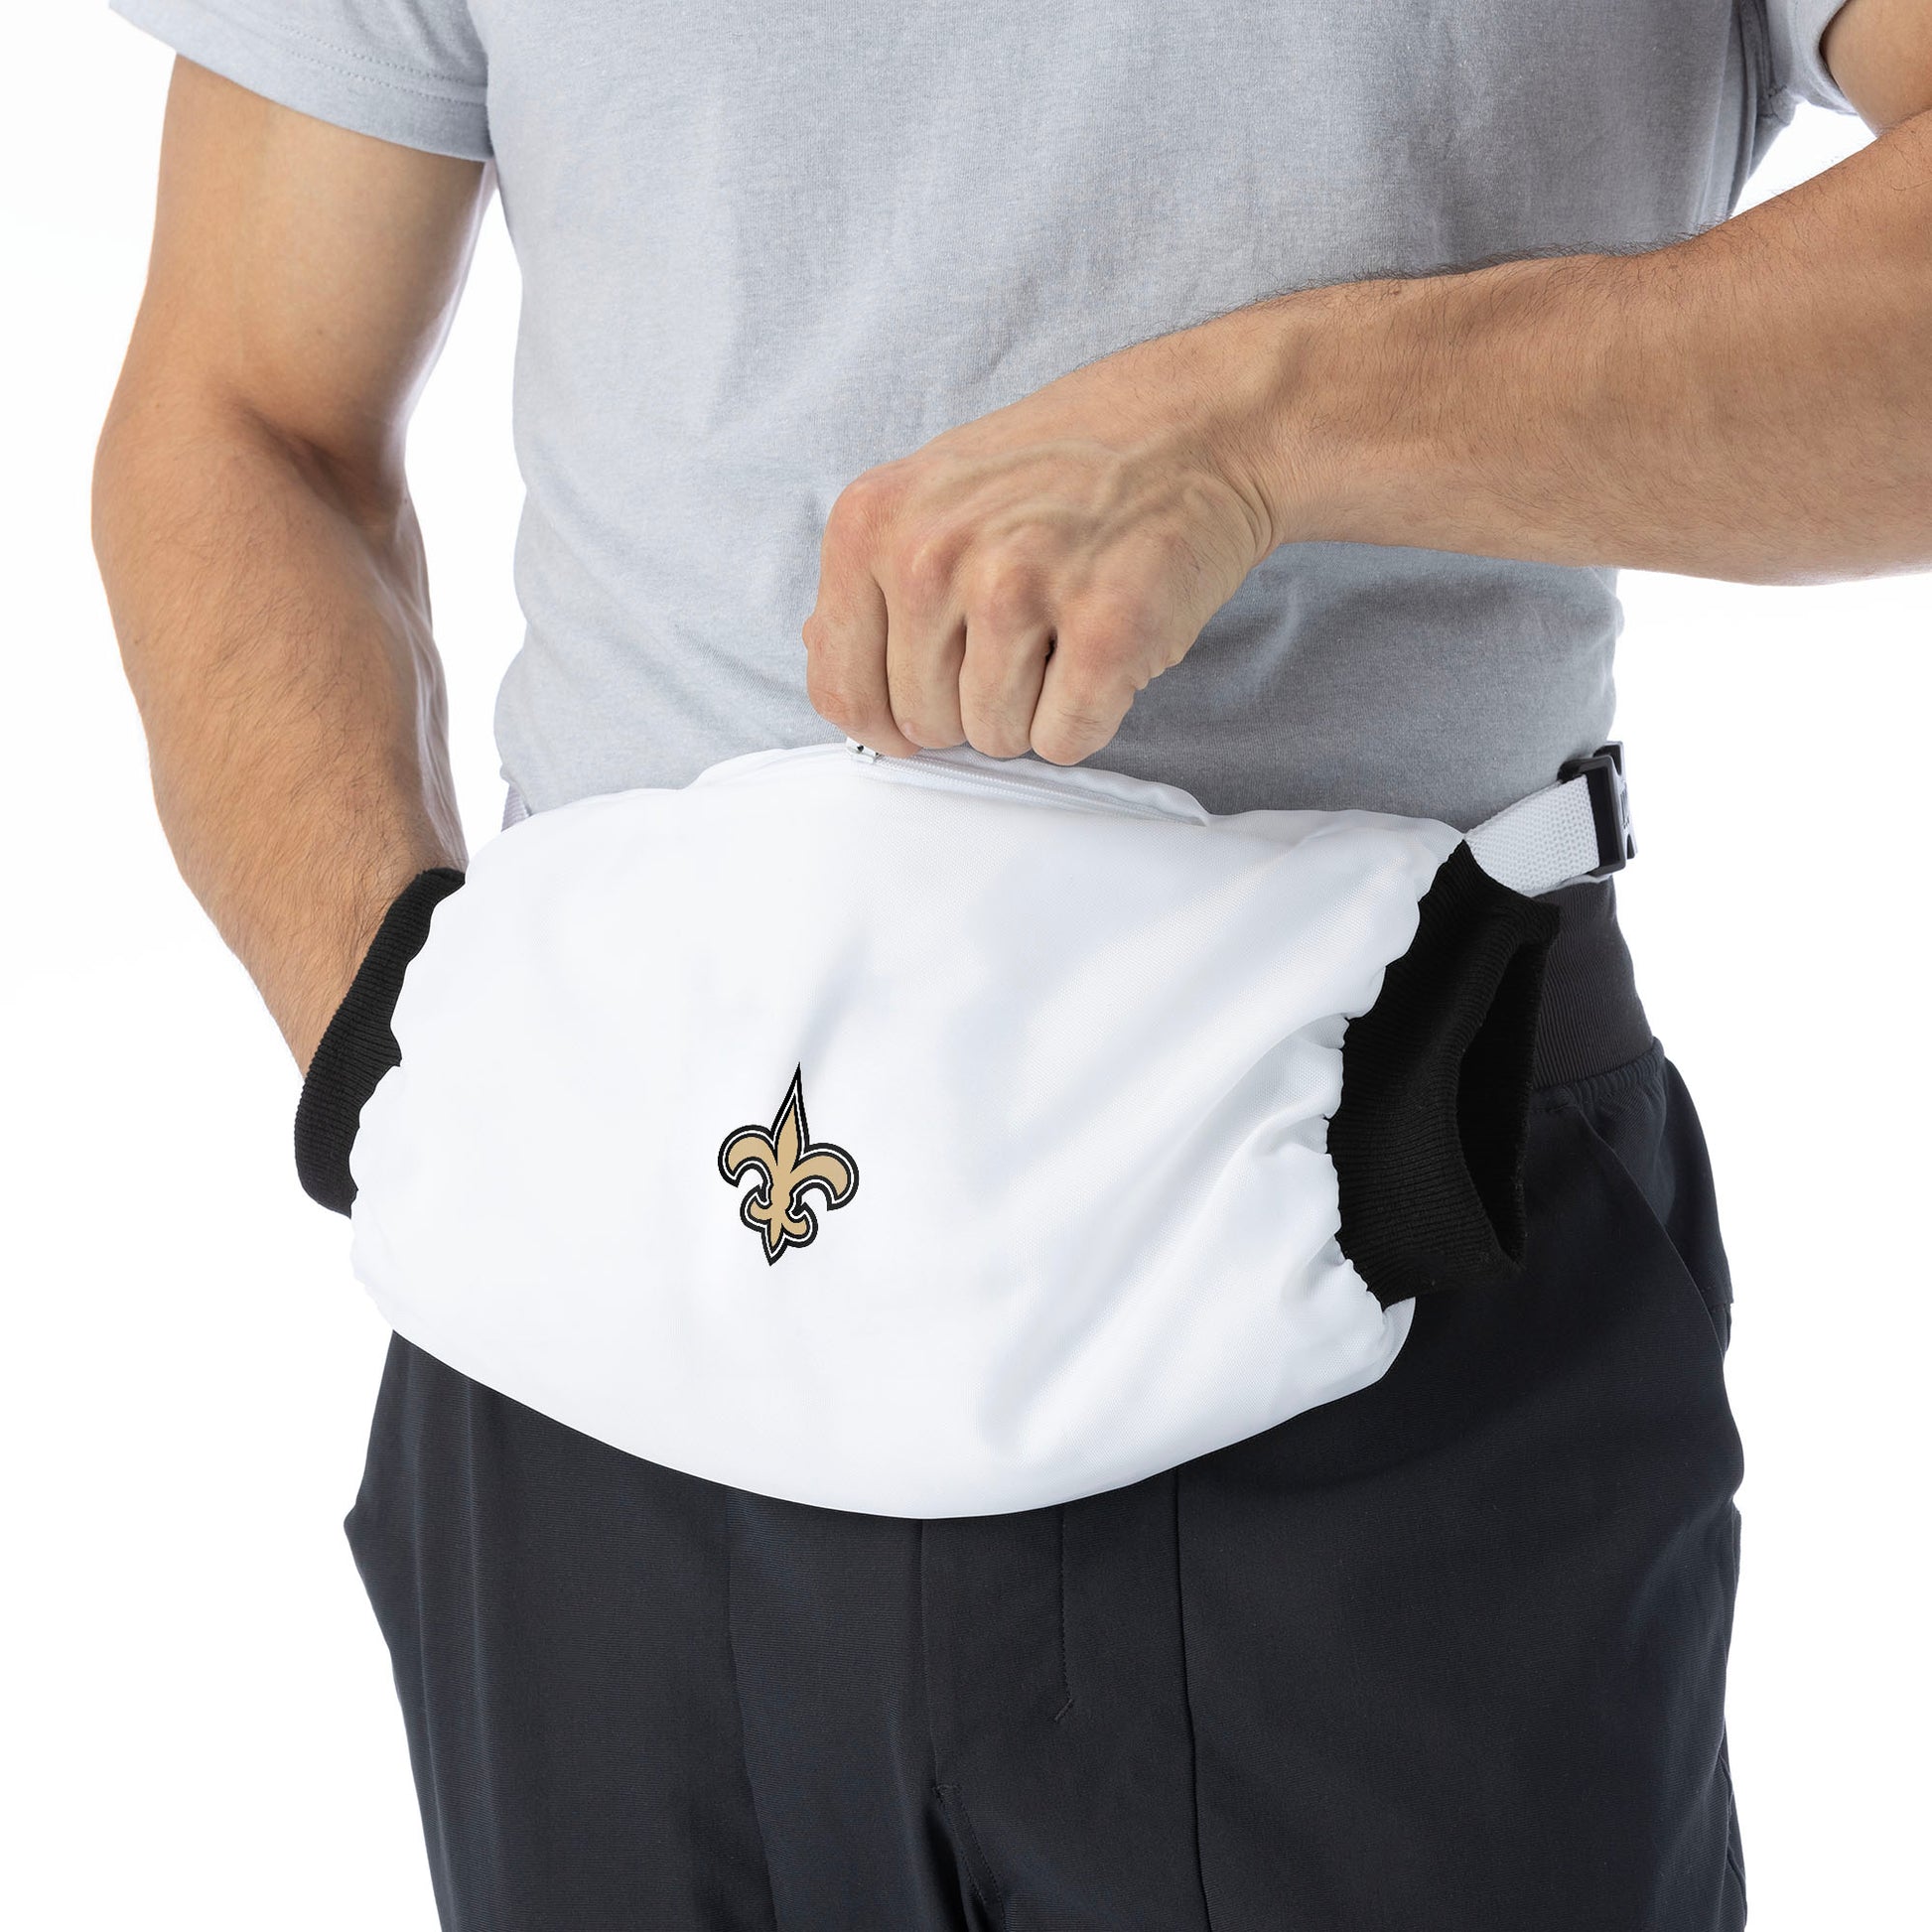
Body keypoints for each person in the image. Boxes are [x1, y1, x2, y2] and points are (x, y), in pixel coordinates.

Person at [92, 1, 1929, 1925]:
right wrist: (398, 1074)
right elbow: (246, 415)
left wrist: (1264, 425)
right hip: (601, 1342)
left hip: (1368, 1246)